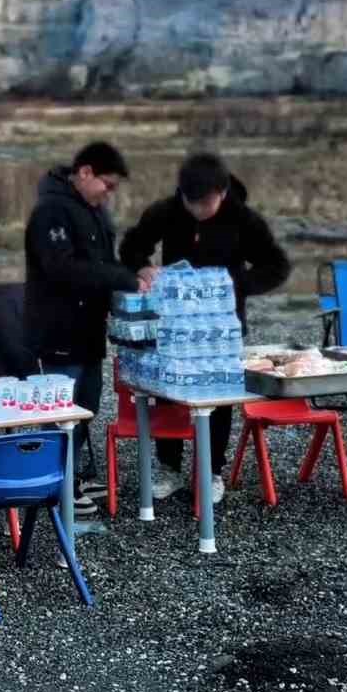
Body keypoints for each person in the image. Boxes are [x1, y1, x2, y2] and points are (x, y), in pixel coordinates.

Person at [119, 151, 291, 505]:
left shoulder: (244, 219)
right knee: (167, 389)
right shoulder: (166, 211)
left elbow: (276, 264)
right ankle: (169, 466)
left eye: (205, 203)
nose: (197, 209)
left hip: (222, 325)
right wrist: (142, 267)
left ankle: (211, 470)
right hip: (173, 323)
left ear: (222, 192)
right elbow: (132, 245)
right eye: (190, 202)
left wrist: (237, 283)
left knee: (218, 395)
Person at [24, 141, 142, 517]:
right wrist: (121, 279)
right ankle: (54, 483)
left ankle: (71, 475)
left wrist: (128, 280)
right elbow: (62, 268)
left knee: (86, 405)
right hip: (59, 328)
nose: (109, 194)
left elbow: (105, 262)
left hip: (90, 329)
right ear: (85, 172)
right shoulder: (52, 211)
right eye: (107, 185)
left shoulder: (95, 212)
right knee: (61, 410)